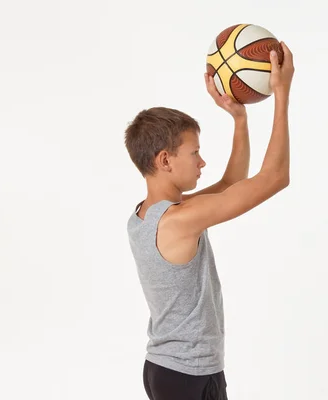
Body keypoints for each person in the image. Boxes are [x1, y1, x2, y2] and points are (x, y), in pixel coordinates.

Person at [125, 42, 294, 400]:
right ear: (165, 160)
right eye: (195, 153)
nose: (202, 162)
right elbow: (274, 177)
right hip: (185, 376)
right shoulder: (179, 220)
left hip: (175, 369)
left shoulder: (147, 214)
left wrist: (240, 118)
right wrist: (281, 95)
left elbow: (232, 185)